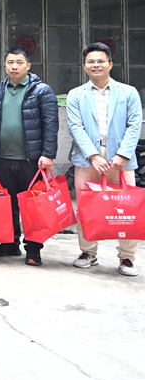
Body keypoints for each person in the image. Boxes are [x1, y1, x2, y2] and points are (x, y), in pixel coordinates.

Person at [67, 42, 143, 277]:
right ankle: (88, 252)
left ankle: (127, 258)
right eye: (91, 61)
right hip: (88, 159)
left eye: (101, 61)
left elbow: (134, 125)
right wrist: (92, 155)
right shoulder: (76, 94)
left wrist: (123, 154)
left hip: (122, 160)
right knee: (86, 207)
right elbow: (75, 127)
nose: (96, 65)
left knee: (127, 207)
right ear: (84, 66)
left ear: (110, 64)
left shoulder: (128, 92)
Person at [0, 48, 58, 266]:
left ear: (28, 66)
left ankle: (33, 249)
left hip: (32, 161)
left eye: (19, 62)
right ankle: (10, 244)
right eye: (10, 62)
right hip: (3, 158)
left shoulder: (42, 90)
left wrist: (48, 154)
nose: (14, 66)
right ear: (4, 65)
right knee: (8, 206)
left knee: (33, 207)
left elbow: (51, 124)